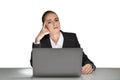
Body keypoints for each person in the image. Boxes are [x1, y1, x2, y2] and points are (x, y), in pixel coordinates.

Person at [30, 10, 96, 74]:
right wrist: (37, 40)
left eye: (56, 20)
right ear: (44, 26)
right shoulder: (42, 41)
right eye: (49, 22)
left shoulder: (72, 38)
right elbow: (34, 65)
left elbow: (83, 58)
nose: (54, 24)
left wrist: (89, 65)